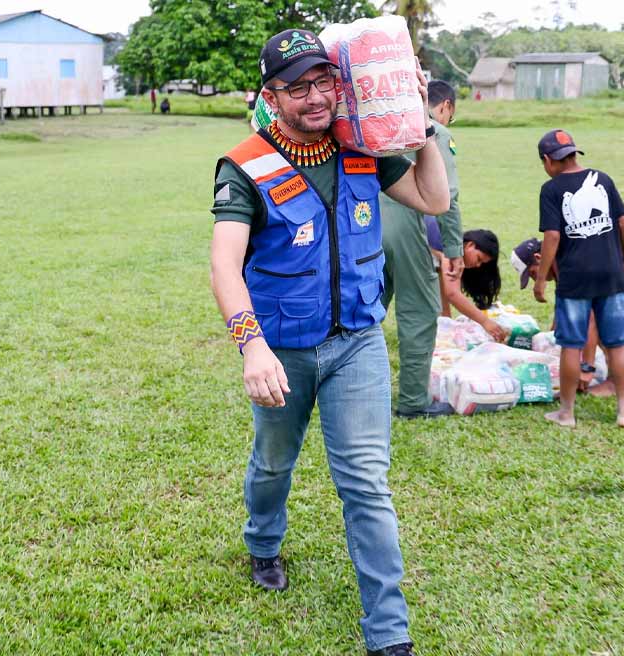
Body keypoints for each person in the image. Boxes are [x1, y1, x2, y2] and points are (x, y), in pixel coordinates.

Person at [209, 28, 448, 656]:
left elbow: (433, 197)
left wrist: (419, 122)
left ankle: (389, 636)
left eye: (323, 82)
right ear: (272, 94)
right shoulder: (245, 165)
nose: (314, 98)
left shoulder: (362, 149)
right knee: (272, 464)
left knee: (367, 483)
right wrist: (251, 347)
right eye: (296, 87)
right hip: (282, 350)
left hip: (358, 343)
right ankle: (264, 542)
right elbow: (224, 266)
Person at [530, 129, 624, 428]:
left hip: (574, 278)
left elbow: (552, 236)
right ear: (574, 154)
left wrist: (541, 279)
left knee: (571, 345)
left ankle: (566, 413)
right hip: (611, 274)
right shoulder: (603, 179)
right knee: (617, 344)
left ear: (547, 160)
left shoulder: (551, 189)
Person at [380, 80, 466, 419]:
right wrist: (454, 248)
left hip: (364, 228)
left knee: (362, 313)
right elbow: (449, 198)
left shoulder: (383, 125)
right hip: (404, 230)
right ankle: (414, 403)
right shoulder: (437, 134)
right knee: (419, 313)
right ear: (444, 107)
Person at [512, 226, 624, 396]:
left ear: (539, 258)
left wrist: (587, 367)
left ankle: (617, 382)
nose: (536, 279)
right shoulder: (558, 261)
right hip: (615, 259)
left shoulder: (566, 258)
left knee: (616, 316)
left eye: (533, 274)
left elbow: (590, 317)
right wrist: (551, 345)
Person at [424, 221, 507, 340]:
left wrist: (447, 329)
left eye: (481, 263)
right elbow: (452, 294)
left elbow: (444, 297)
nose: (478, 266)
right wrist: (485, 322)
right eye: (479, 259)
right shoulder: (451, 245)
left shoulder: (444, 257)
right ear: (470, 245)